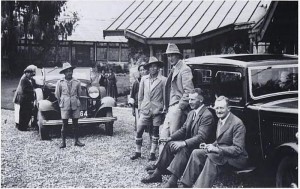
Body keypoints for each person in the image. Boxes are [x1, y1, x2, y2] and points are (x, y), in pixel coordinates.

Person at [141, 88, 215, 187]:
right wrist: (170, 138)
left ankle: (173, 181)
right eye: (189, 99)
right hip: (191, 144)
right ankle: (158, 173)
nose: (190, 102)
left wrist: (183, 143)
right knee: (169, 144)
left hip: (201, 147)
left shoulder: (207, 115)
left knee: (183, 149)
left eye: (193, 100)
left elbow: (201, 137)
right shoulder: (192, 113)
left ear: (201, 100)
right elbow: (183, 130)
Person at [180, 96, 248, 188]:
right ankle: (185, 184)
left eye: (221, 108)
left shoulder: (237, 124)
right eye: (217, 108)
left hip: (236, 159)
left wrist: (216, 149)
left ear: (228, 108)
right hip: (222, 155)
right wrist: (210, 145)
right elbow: (220, 140)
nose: (218, 111)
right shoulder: (221, 120)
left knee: (212, 157)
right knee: (196, 153)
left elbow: (238, 149)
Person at [160, 43, 194, 153]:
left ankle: (173, 166)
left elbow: (189, 91)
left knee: (174, 137)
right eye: (168, 56)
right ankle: (160, 165)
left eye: (172, 55)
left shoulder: (185, 69)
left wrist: (179, 107)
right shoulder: (174, 69)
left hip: (178, 107)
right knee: (163, 135)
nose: (170, 58)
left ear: (178, 55)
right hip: (171, 108)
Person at [130, 57, 166, 161]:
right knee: (139, 130)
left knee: (155, 131)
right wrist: (140, 108)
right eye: (151, 66)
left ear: (158, 68)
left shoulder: (163, 80)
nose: (153, 68)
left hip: (157, 110)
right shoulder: (144, 80)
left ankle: (152, 153)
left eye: (155, 66)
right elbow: (140, 96)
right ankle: (138, 152)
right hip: (145, 109)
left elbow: (165, 96)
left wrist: (163, 108)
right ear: (148, 68)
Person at [55, 62, 85, 148]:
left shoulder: (77, 82)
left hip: (75, 104)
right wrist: (63, 101)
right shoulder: (60, 83)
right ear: (64, 73)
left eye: (70, 71)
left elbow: (79, 94)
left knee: (76, 123)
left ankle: (76, 141)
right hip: (65, 105)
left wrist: (73, 99)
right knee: (64, 124)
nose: (69, 73)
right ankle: (63, 142)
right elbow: (57, 95)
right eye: (67, 71)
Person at [13, 65, 38, 131]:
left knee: (29, 113)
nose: (30, 74)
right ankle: (22, 127)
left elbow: (36, 85)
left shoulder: (32, 80)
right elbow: (24, 89)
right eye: (28, 73)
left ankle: (25, 125)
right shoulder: (24, 80)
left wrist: (42, 86)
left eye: (31, 73)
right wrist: (33, 90)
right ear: (26, 73)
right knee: (23, 113)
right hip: (25, 99)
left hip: (30, 99)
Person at [128, 62, 148, 131]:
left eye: (144, 70)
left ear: (147, 70)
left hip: (147, 105)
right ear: (139, 72)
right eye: (141, 70)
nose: (142, 72)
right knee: (139, 125)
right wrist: (133, 108)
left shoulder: (149, 81)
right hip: (138, 105)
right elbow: (132, 95)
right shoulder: (136, 83)